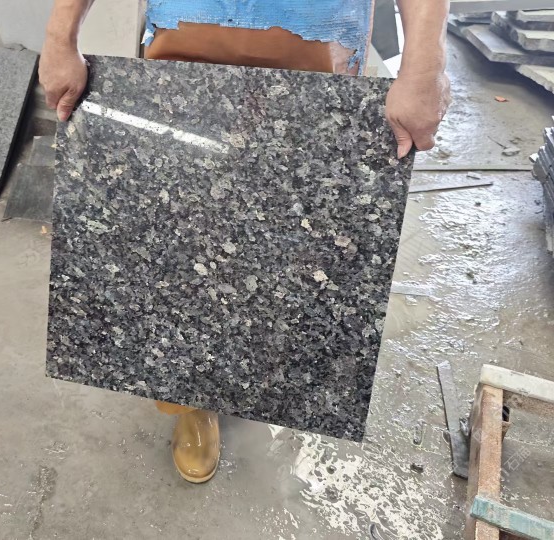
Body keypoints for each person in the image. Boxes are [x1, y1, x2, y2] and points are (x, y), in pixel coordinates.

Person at [40, 0, 451, 484]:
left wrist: (425, 61)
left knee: (294, 228)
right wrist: (60, 37)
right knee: (182, 234)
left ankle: (261, 372)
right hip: (189, 26)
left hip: (319, 36)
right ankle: (192, 397)